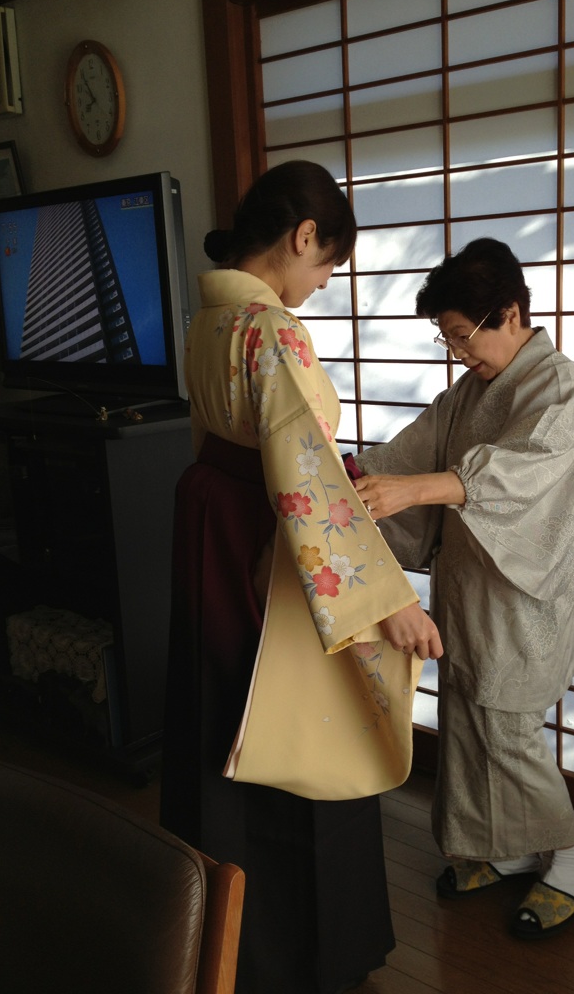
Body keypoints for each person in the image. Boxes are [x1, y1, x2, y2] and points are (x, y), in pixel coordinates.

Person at [159, 160, 442, 994]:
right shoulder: (270, 329)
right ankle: (301, 957)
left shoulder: (210, 318)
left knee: (221, 718)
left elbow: (253, 452)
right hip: (269, 549)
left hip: (212, 529)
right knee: (310, 732)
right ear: (303, 235)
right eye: (326, 264)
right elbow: (302, 477)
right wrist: (386, 602)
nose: (322, 284)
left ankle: (216, 941)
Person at [352, 237, 574, 940]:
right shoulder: (471, 390)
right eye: (449, 339)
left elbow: (516, 474)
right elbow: (418, 446)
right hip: (466, 582)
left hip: (521, 596)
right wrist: (356, 473)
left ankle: (570, 859)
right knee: (467, 721)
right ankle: (508, 851)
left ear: (510, 314)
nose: (458, 353)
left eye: (463, 335)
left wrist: (412, 492)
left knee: (510, 729)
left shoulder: (562, 390)